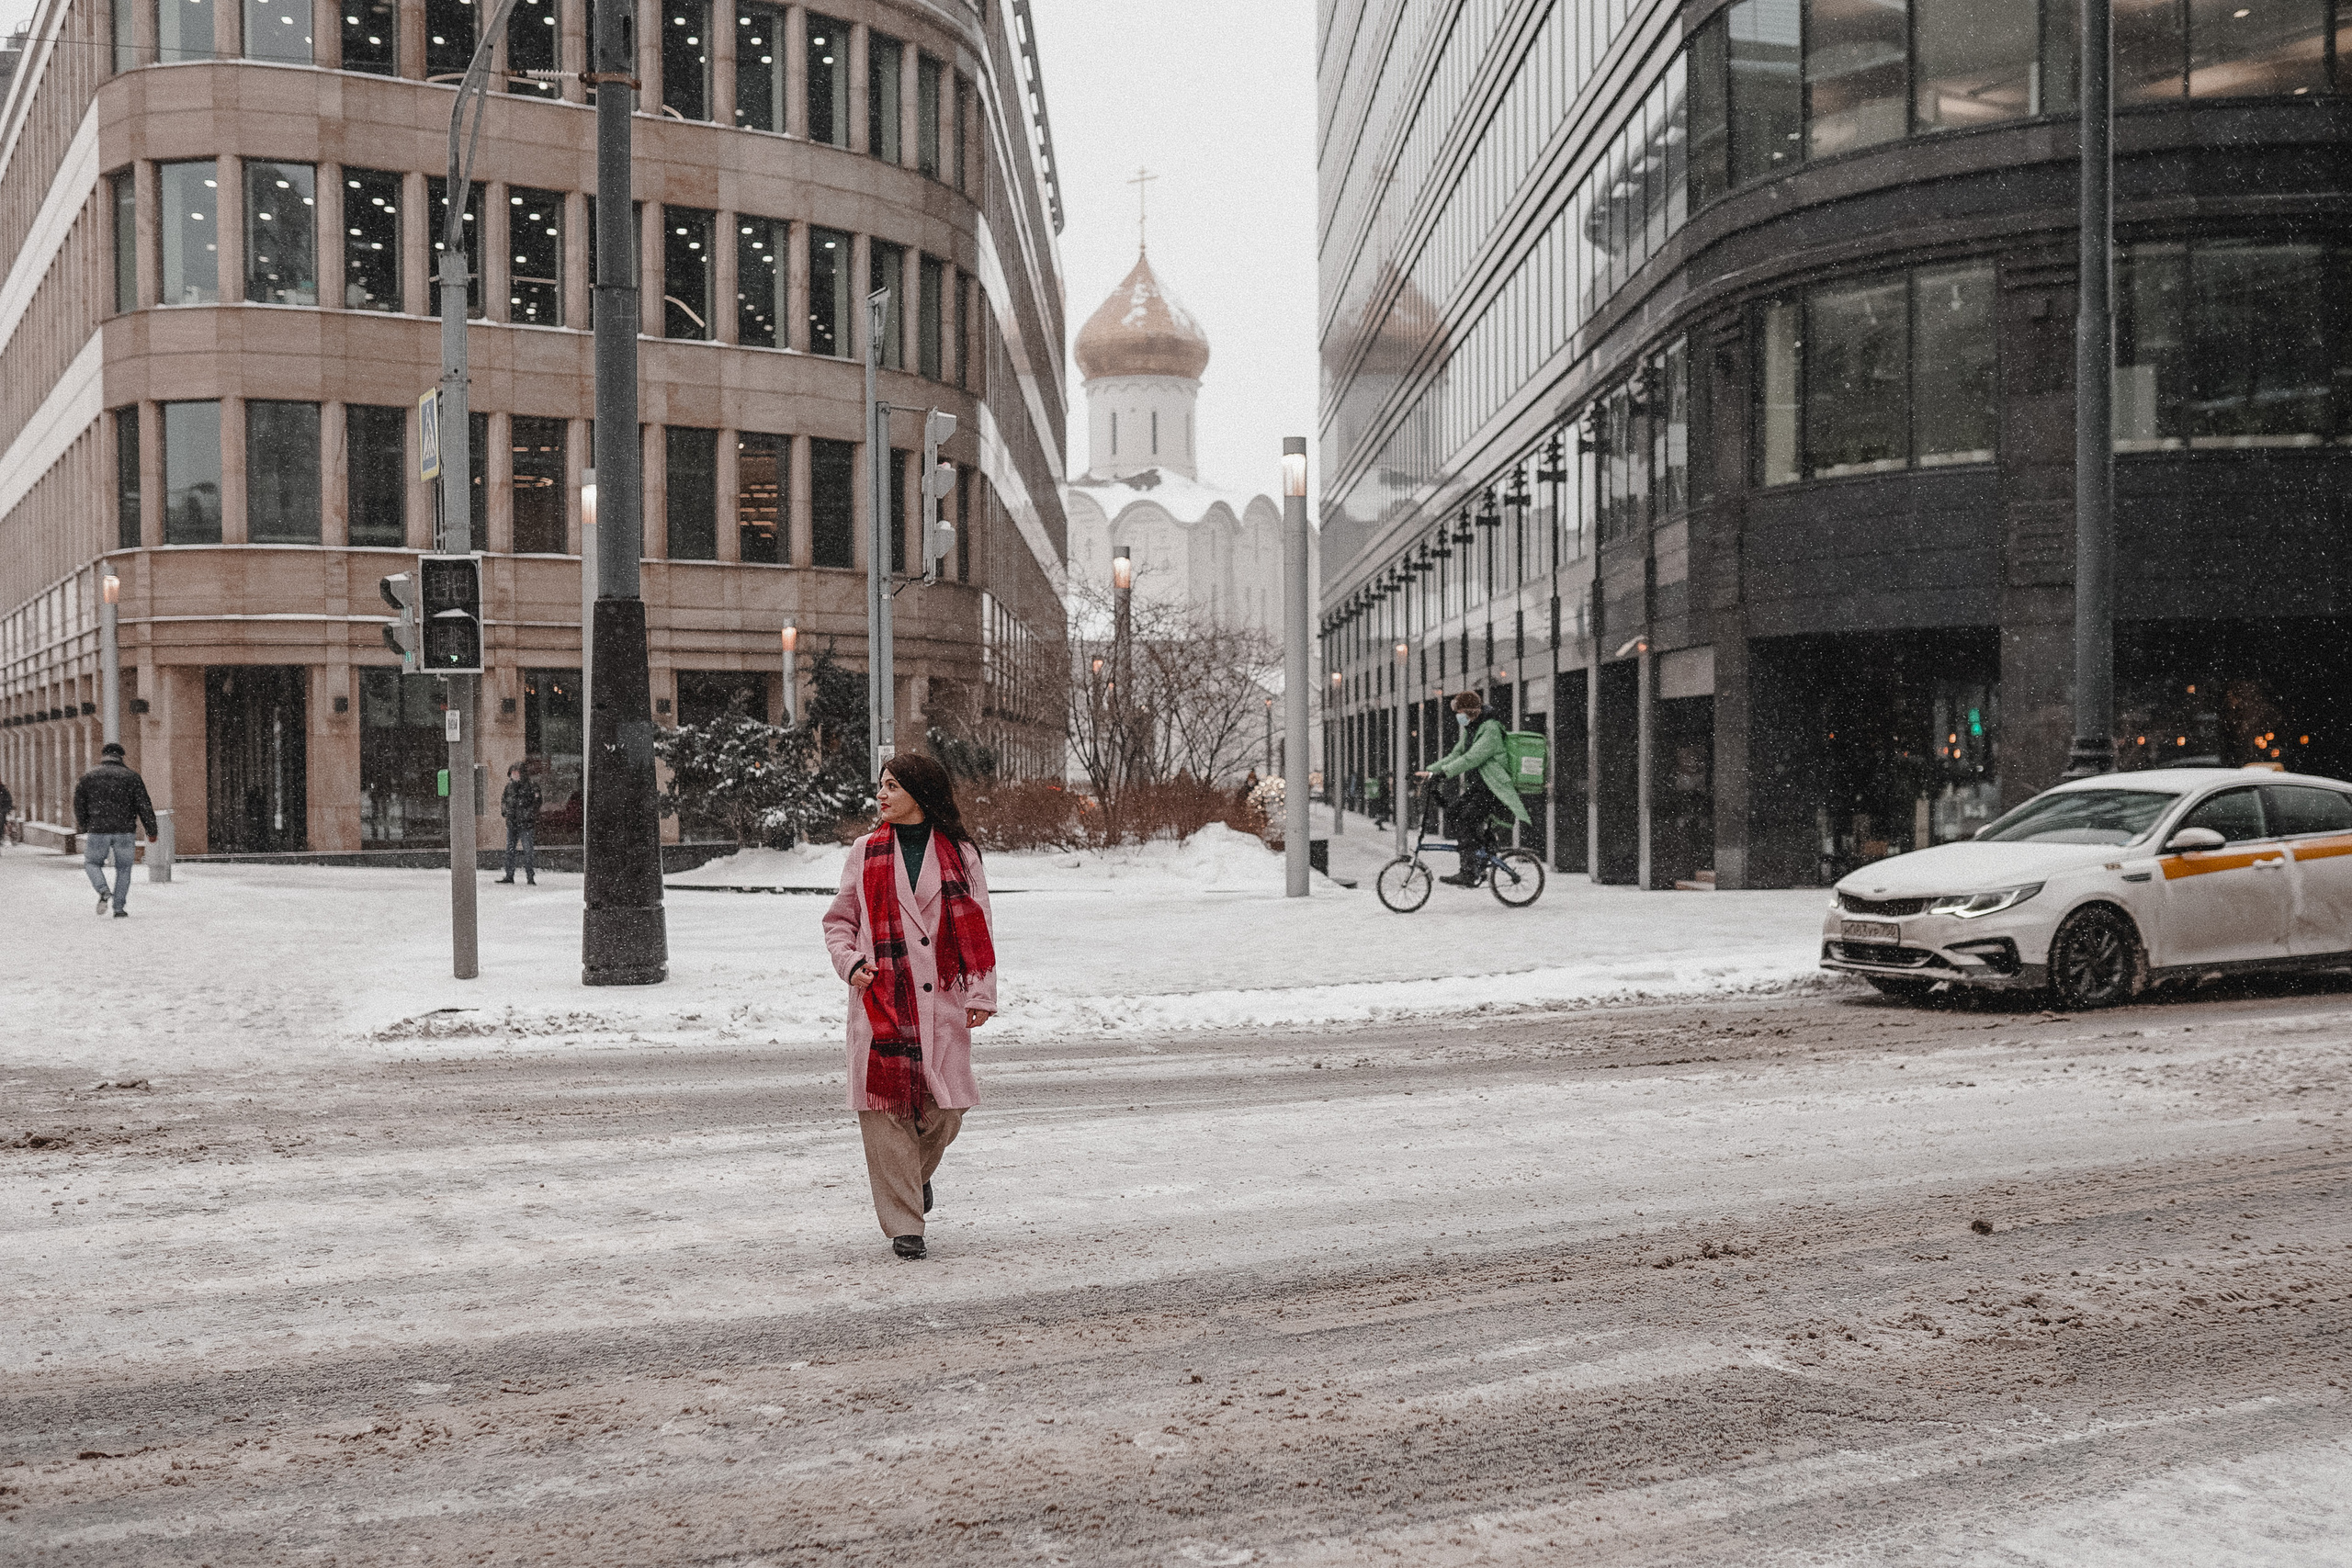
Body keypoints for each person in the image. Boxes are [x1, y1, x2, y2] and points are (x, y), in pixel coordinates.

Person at [821, 753, 998, 1261]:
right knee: (885, 1113)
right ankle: (905, 1225)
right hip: (881, 1001)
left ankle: (911, 1180)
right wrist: (852, 963)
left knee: (947, 1110)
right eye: (881, 785)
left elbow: (979, 925)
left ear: (920, 793)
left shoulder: (962, 854)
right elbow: (839, 922)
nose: (882, 795)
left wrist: (981, 993)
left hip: (942, 997)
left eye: (893, 786)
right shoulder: (864, 851)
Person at [1419, 690, 1529, 886]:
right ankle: (1482, 854)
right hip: (1480, 787)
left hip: (1493, 789)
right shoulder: (1471, 729)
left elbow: (1471, 758)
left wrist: (1443, 774)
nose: (1457, 716)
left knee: (1466, 819)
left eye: (1459, 711)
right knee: (1453, 813)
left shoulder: (1491, 729)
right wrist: (1429, 772)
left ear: (1470, 711)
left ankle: (1469, 872)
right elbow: (1455, 755)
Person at [74, 741, 158, 918]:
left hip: (98, 829)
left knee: (91, 863)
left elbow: (79, 803)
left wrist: (84, 824)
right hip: (125, 829)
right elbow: (144, 804)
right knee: (124, 868)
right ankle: (119, 908)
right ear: (121, 757)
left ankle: (103, 890)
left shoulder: (89, 777)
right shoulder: (132, 777)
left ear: (103, 755)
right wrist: (151, 830)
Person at [497, 762, 542, 885]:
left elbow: (536, 803)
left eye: (517, 772)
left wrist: (528, 815)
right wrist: (505, 812)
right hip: (513, 823)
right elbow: (504, 801)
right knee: (510, 850)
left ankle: (530, 876)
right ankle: (509, 875)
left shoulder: (531, 786)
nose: (514, 775)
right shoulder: (509, 787)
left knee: (528, 850)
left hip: (526, 824)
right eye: (513, 773)